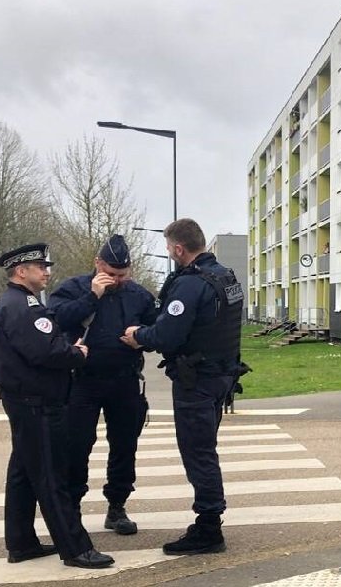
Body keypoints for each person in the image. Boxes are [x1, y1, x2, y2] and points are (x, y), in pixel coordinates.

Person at [119, 218, 247, 556]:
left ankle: (208, 527)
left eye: (168, 249)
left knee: (198, 452)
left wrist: (138, 336)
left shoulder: (191, 285)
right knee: (204, 449)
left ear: (179, 249)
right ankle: (209, 520)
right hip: (221, 377)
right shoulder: (226, 276)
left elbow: (168, 335)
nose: (169, 254)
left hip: (198, 381)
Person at [0, 243, 114, 569]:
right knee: (51, 477)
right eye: (40, 267)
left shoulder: (7, 305)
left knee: (23, 474)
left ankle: (21, 542)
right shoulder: (25, 307)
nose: (46, 272)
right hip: (38, 404)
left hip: (22, 400)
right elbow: (47, 353)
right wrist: (77, 354)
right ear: (21, 271)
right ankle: (75, 548)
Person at [48, 234, 157, 536]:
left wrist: (142, 339)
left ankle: (117, 506)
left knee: (124, 445)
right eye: (111, 273)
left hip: (124, 379)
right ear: (97, 264)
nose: (117, 280)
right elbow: (55, 318)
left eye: (122, 274)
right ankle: (71, 510)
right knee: (76, 445)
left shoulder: (139, 295)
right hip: (82, 381)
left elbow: (156, 327)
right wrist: (91, 297)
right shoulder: (73, 289)